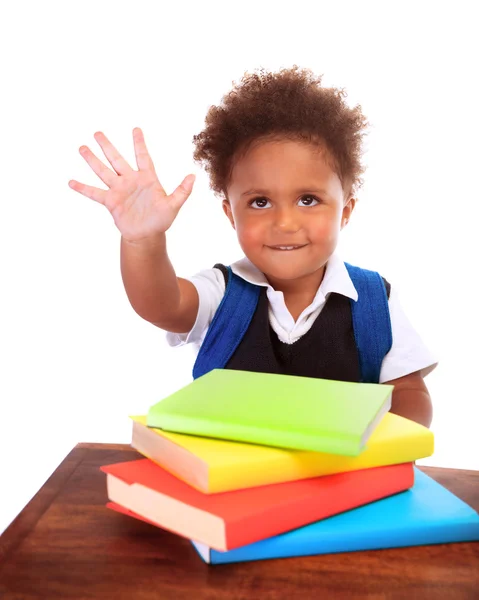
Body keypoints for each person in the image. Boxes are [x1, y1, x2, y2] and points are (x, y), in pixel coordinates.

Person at [68, 65, 436, 428]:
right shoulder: (221, 293)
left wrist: (385, 448)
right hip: (231, 485)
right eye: (260, 202)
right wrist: (143, 239)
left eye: (308, 199)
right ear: (231, 213)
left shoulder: (375, 302)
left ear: (345, 211)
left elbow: (409, 392)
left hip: (342, 483)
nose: (285, 223)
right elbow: (162, 305)